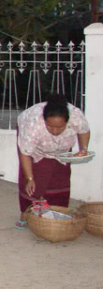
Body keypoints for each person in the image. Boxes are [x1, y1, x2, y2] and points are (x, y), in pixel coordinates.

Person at [15, 93, 91, 228]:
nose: (55, 131)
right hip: (37, 150)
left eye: (60, 127)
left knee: (60, 178)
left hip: (61, 149)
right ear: (44, 121)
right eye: (50, 126)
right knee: (36, 181)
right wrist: (30, 178)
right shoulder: (33, 124)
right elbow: (25, 153)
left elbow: (84, 131)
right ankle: (26, 215)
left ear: (67, 121)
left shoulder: (76, 117)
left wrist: (83, 149)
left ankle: (57, 214)